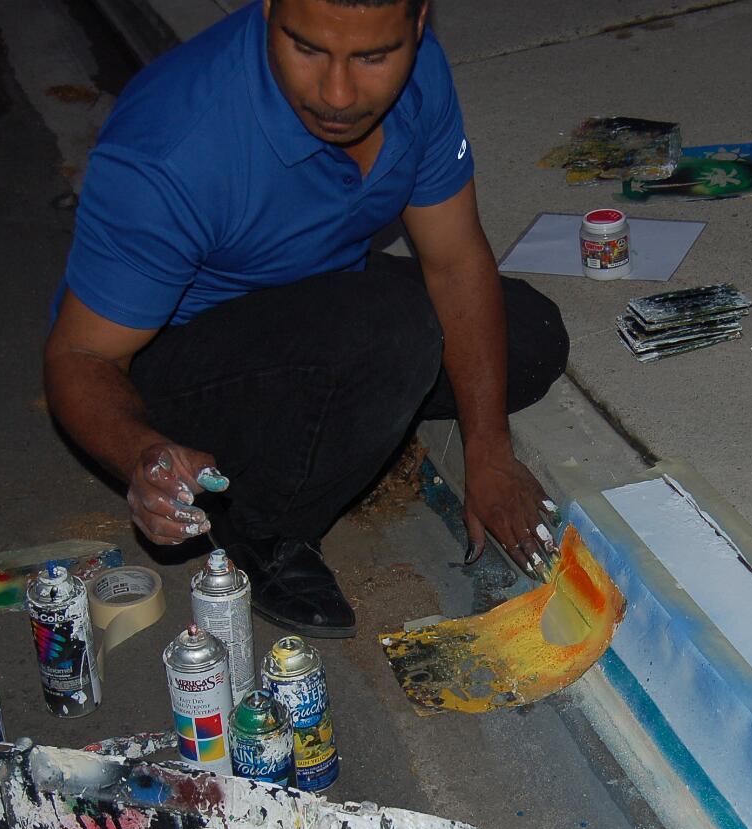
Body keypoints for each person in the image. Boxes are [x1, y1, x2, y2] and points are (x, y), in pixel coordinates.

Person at [43, 0, 569, 639]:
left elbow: (456, 262)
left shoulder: (421, 71)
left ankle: (343, 411)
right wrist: (140, 453)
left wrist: (488, 451)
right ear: (268, 7)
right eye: (308, 49)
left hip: (318, 292)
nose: (338, 94)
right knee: (394, 331)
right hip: (177, 362)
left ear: (418, 23)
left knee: (528, 339)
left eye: (372, 57)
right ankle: (263, 527)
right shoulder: (171, 144)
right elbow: (81, 357)